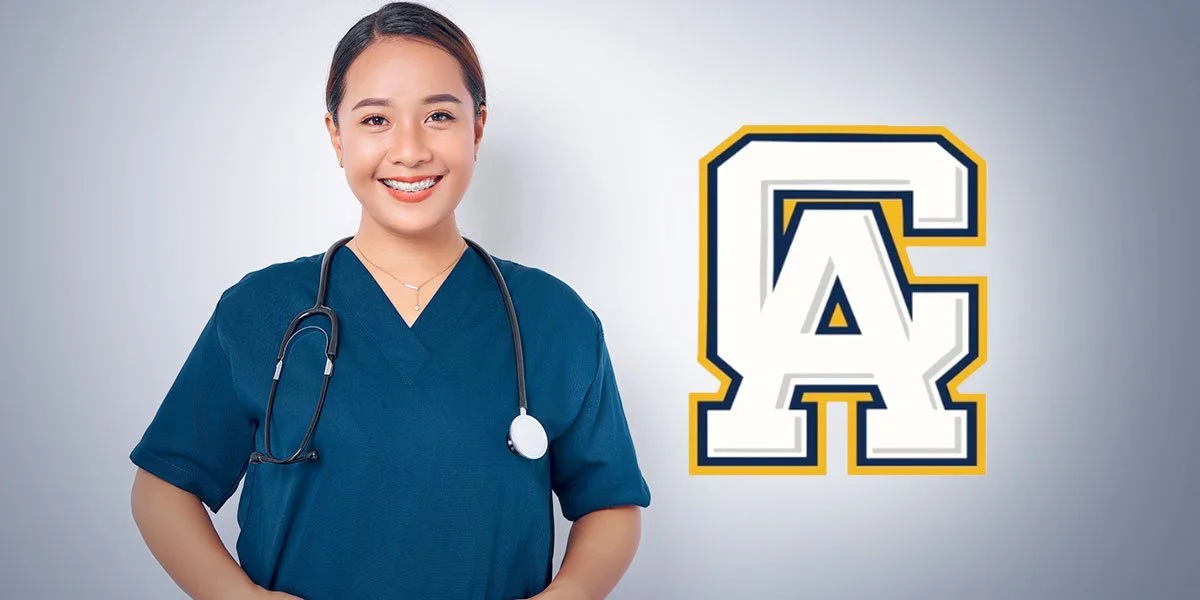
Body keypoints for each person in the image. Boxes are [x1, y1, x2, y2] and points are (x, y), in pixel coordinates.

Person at [127, 3, 652, 599]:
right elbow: (164, 487)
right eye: (376, 120)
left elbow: (610, 502)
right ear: (336, 135)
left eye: (438, 116)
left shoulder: (555, 318)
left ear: (477, 128)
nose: (409, 150)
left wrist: (569, 596)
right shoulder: (261, 309)